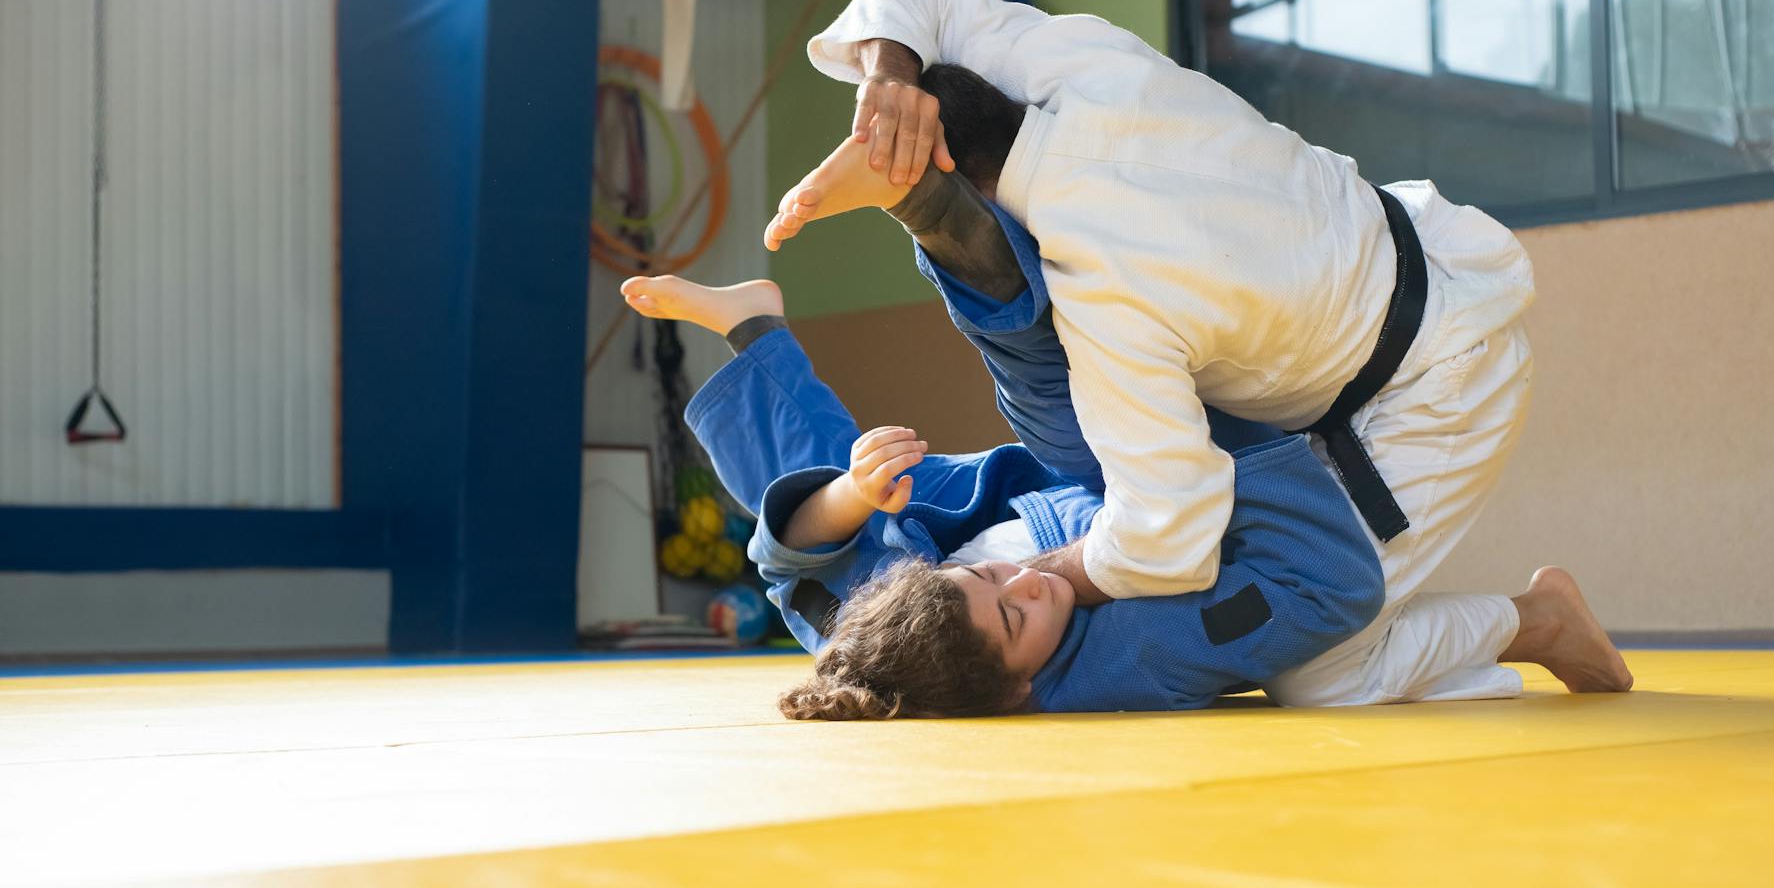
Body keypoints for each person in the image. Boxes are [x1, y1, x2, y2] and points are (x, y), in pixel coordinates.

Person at [767, 0, 1633, 703]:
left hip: (1439, 381)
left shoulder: (1108, 296)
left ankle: (1536, 617)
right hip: (1407, 248)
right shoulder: (1083, 66)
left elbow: (1168, 537)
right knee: (1107, 432)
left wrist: (1050, 575)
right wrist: (888, 77)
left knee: (1323, 674)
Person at [619, 267, 1631, 719]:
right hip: (1162, 485)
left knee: (832, 538)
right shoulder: (1114, 664)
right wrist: (1213, 441)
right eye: (1018, 617)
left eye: (996, 584)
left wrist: (845, 492)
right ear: (1019, 687)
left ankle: (761, 325)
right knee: (1323, 673)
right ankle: (1534, 621)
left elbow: (787, 561)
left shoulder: (901, 631)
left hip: (982, 503)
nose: (1024, 586)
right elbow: (1322, 590)